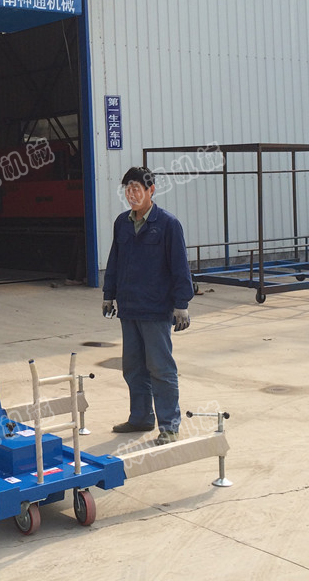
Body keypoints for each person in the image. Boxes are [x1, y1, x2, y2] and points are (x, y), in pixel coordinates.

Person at [102, 166, 194, 444]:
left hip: (155, 310)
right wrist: (109, 294)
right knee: (133, 368)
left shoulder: (168, 224)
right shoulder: (122, 223)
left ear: (151, 190)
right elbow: (114, 261)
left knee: (161, 369)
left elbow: (180, 266)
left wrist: (181, 304)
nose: (131, 194)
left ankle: (169, 426)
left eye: (136, 189)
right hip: (129, 308)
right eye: (127, 189)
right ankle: (140, 417)